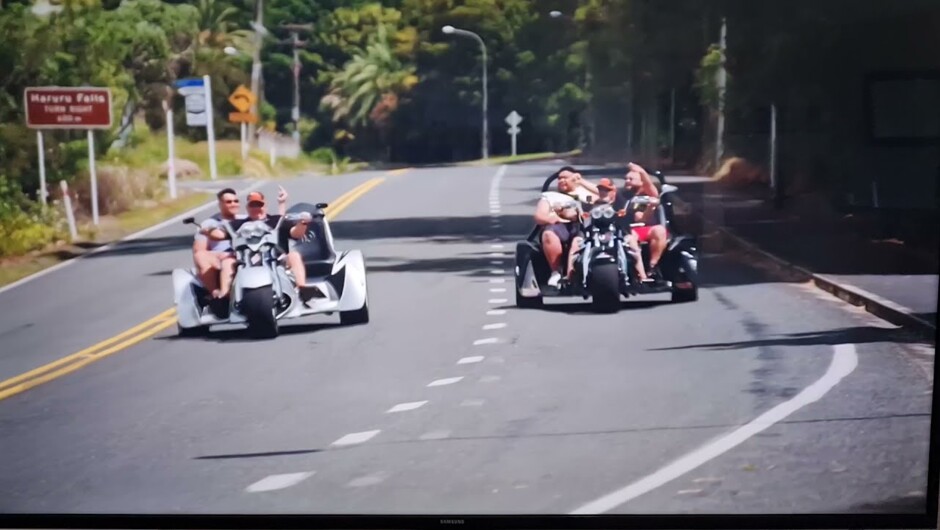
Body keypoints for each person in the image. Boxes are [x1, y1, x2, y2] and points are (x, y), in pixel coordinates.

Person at [202, 189, 309, 300]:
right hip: (245, 260)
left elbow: (295, 233)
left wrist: (303, 223)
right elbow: (221, 234)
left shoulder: (276, 220)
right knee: (227, 262)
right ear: (247, 207)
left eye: (259, 204)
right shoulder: (238, 224)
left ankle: (302, 288)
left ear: (265, 206)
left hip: (275, 258)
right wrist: (209, 231)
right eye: (253, 205)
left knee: (294, 256)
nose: (256, 208)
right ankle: (225, 296)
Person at [534, 167, 598, 288]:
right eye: (559, 178)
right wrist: (550, 219)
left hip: (581, 227)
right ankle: (556, 272)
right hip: (558, 226)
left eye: (566, 177)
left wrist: (581, 181)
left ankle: (574, 272)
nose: (562, 180)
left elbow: (603, 195)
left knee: (578, 241)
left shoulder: (585, 195)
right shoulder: (550, 197)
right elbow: (539, 215)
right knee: (548, 234)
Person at [612, 162, 668, 278]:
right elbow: (639, 217)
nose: (627, 181)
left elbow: (643, 216)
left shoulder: (647, 195)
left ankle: (653, 266)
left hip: (646, 229)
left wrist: (642, 172)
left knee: (660, 230)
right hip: (627, 230)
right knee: (630, 238)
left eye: (631, 179)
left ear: (642, 181)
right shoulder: (621, 194)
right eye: (626, 179)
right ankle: (638, 273)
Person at [192, 188, 243, 299]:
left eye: (236, 201)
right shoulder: (209, 224)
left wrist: (282, 204)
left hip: (244, 255)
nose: (233, 204)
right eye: (229, 202)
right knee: (200, 255)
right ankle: (216, 294)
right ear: (220, 204)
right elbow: (199, 250)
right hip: (219, 258)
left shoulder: (246, 220)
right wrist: (219, 255)